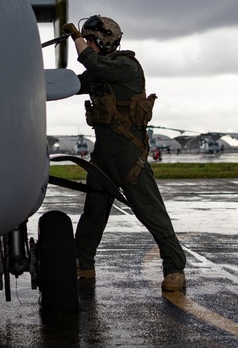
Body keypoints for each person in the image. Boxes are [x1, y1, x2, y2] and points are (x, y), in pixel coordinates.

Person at [62, 16, 187, 292]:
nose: (88, 45)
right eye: (87, 40)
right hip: (104, 158)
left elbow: (92, 63)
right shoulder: (100, 73)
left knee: (151, 213)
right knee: (94, 213)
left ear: (106, 41)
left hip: (131, 158)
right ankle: (83, 263)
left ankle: (175, 268)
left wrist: (75, 39)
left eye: (91, 40)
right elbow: (75, 83)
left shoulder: (125, 67)